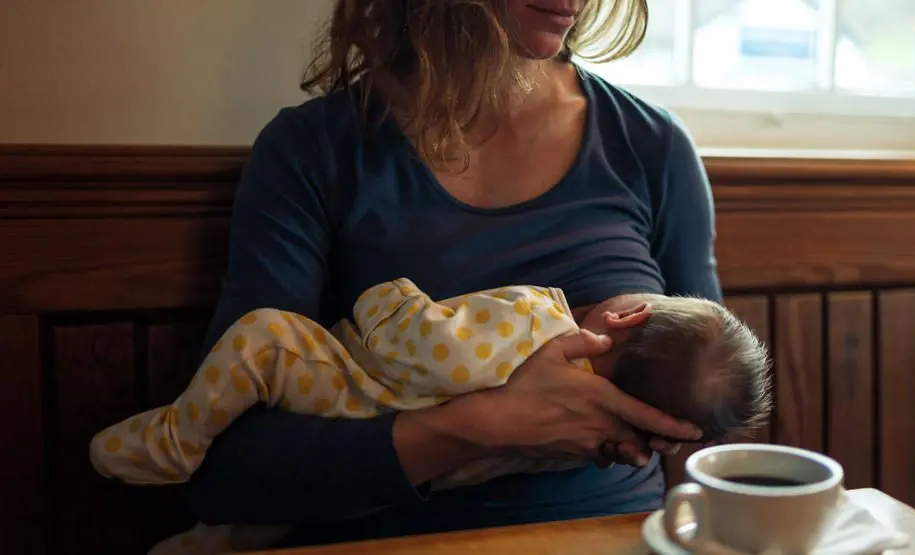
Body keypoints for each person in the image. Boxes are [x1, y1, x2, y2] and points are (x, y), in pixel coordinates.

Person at [184, 0, 722, 548]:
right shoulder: (314, 150)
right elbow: (227, 470)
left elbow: (709, 419)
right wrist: (484, 428)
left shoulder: (651, 145)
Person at [96, 279, 769, 555]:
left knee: (263, 339)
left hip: (343, 390)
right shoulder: (585, 440)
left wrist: (392, 296)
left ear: (624, 317)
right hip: (374, 482)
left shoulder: (538, 317)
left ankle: (173, 439)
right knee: (258, 523)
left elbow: (411, 341)